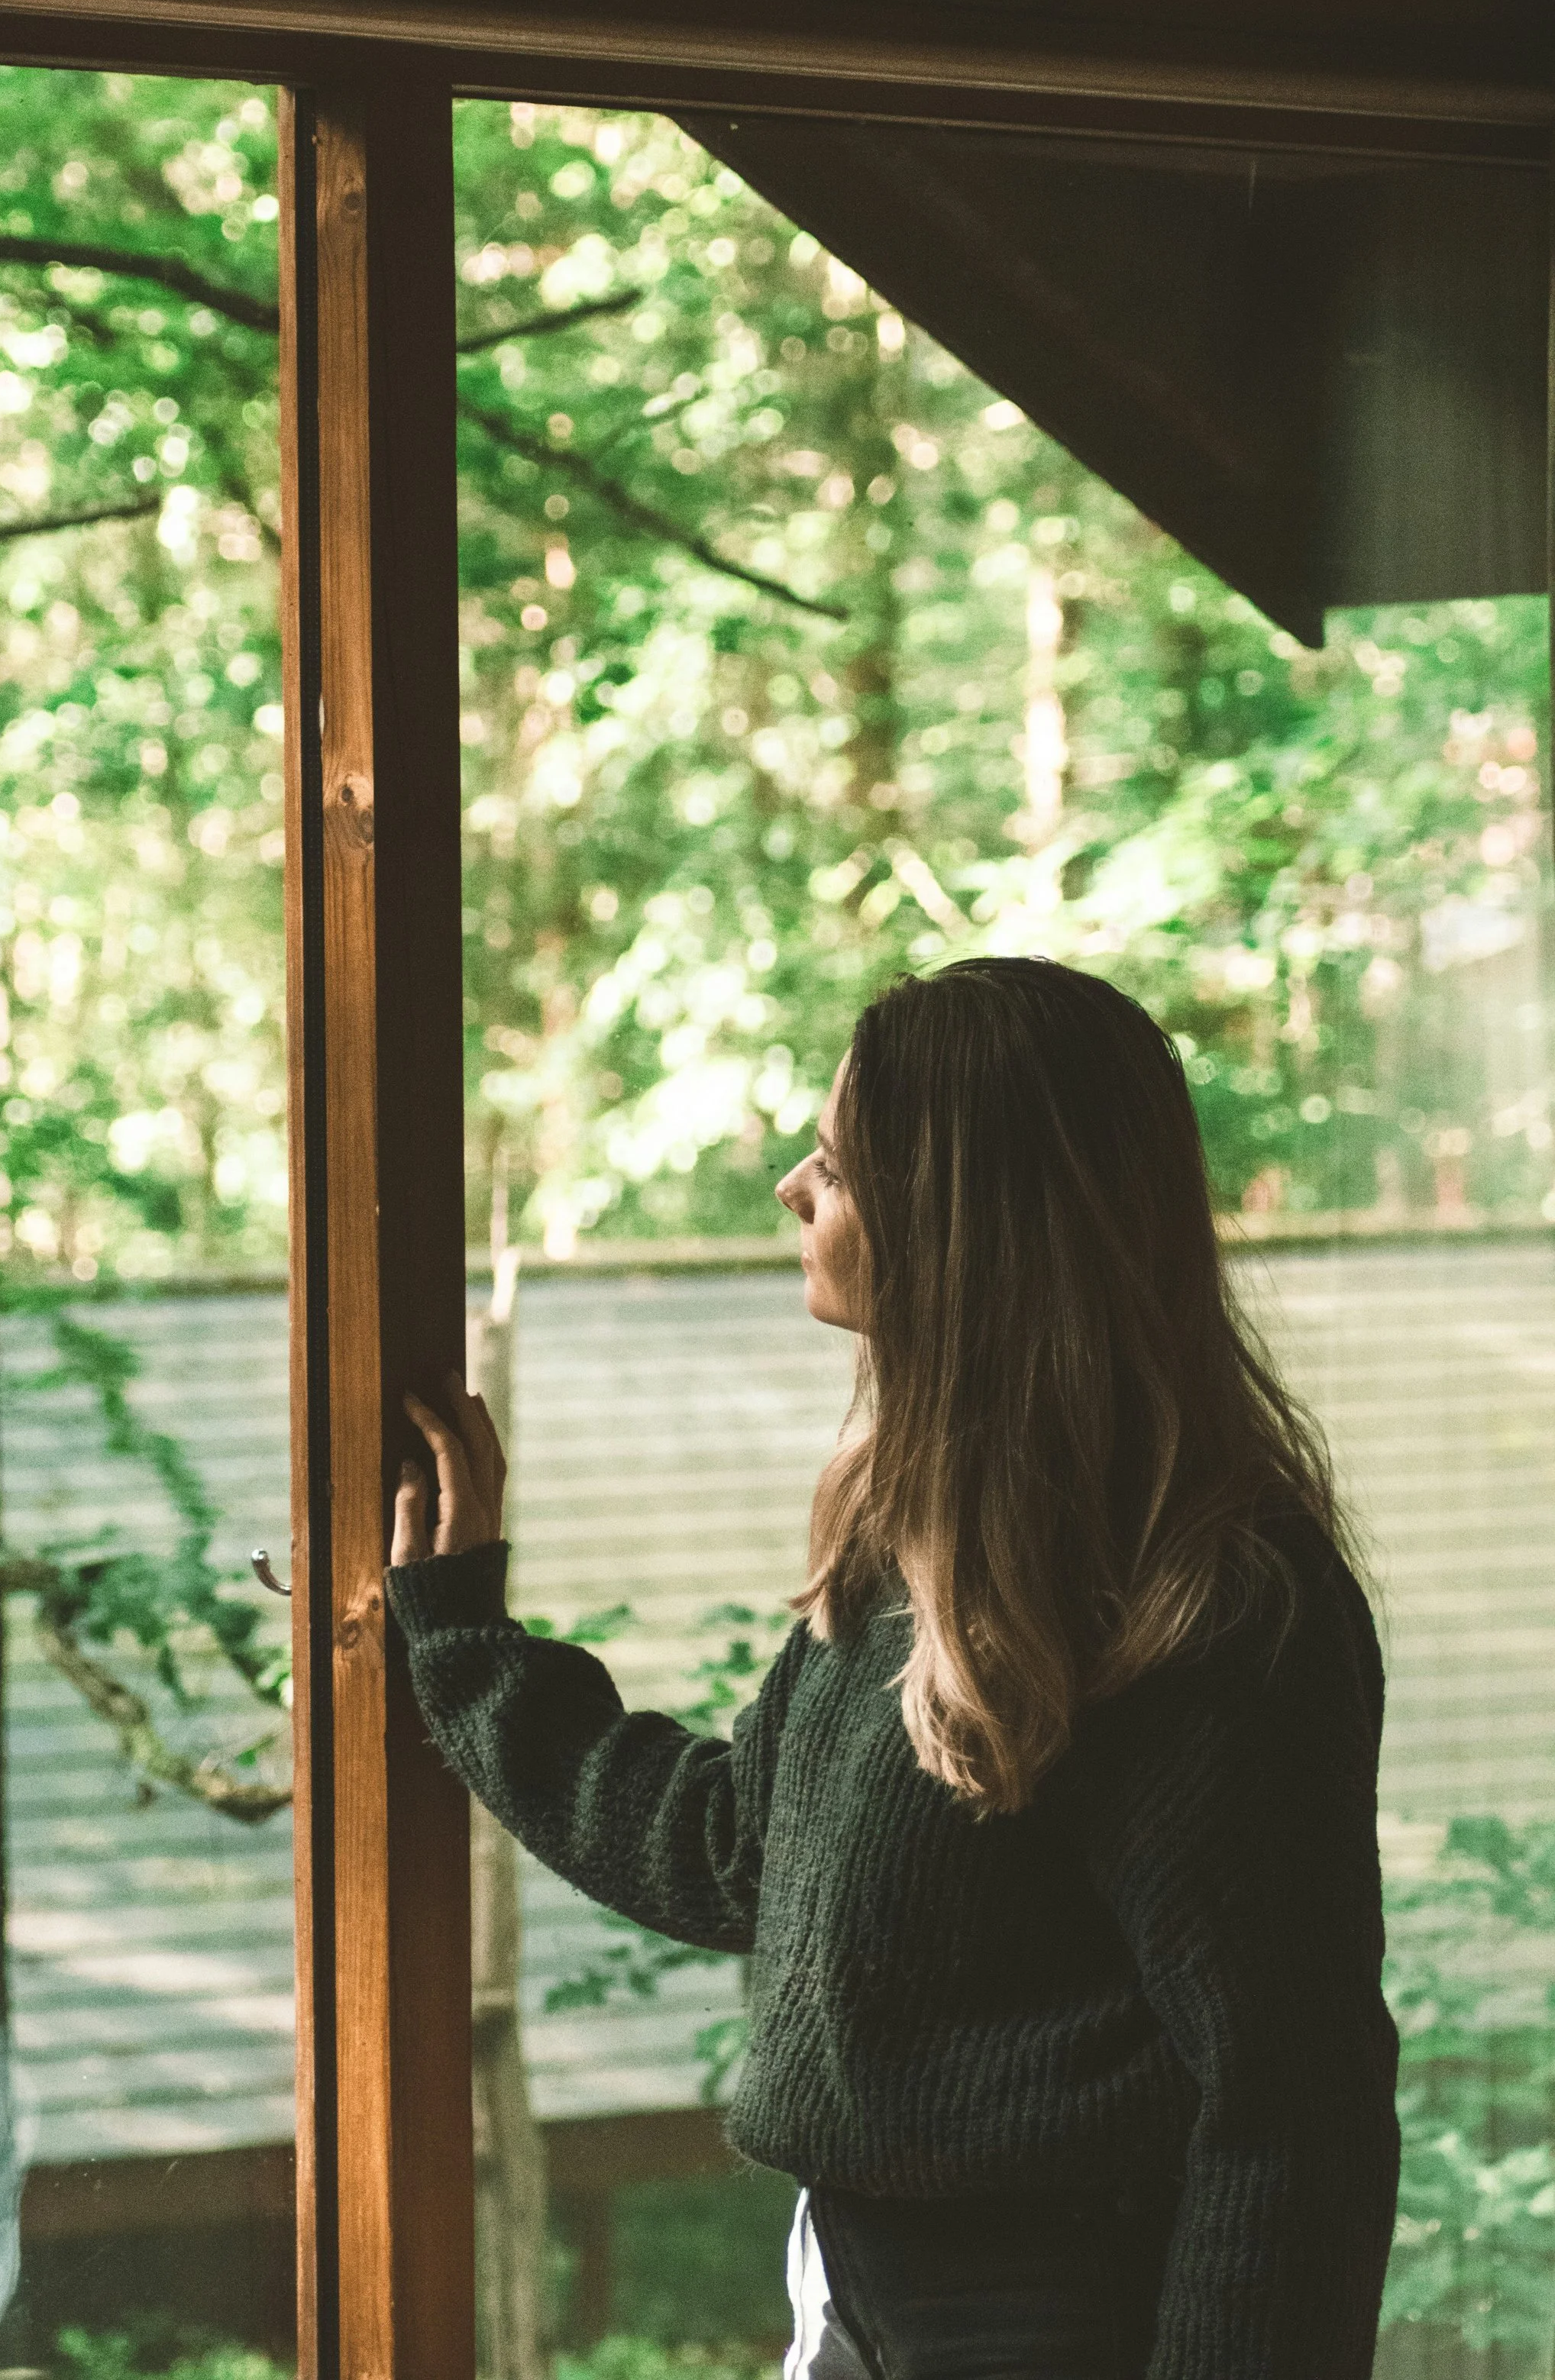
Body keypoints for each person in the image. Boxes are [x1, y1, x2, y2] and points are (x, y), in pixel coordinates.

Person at [389, 958, 1400, 2379]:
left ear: (960, 1224)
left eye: (838, 1166)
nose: (793, 1191)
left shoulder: (1219, 1605)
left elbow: (1294, 2112)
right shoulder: (912, 1539)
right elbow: (738, 1846)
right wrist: (465, 1644)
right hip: (856, 2309)